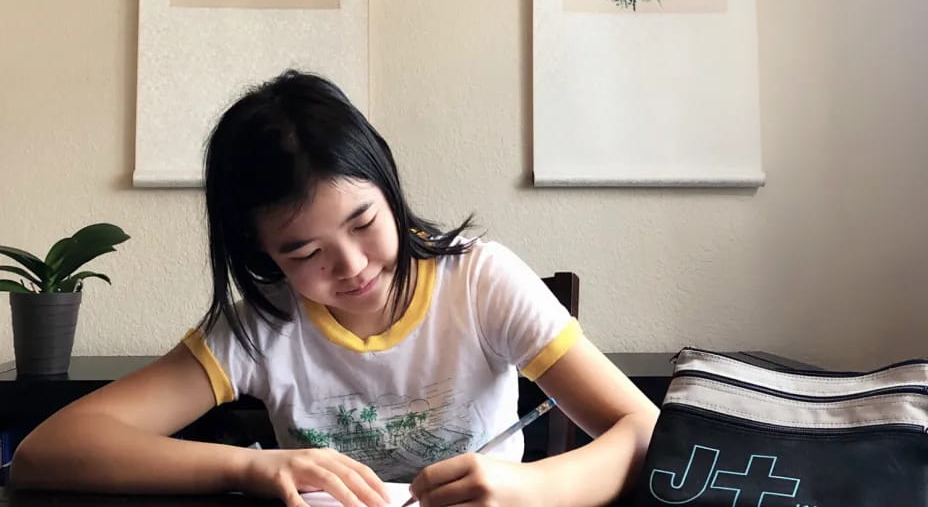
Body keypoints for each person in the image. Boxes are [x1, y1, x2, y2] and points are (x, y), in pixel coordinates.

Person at [11, 70, 659, 507]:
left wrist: (532, 489)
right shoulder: (262, 326)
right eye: (304, 252)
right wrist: (251, 467)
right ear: (262, 254)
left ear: (389, 187)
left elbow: (645, 429)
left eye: (364, 222)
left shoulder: (480, 283)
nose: (350, 266)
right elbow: (48, 452)